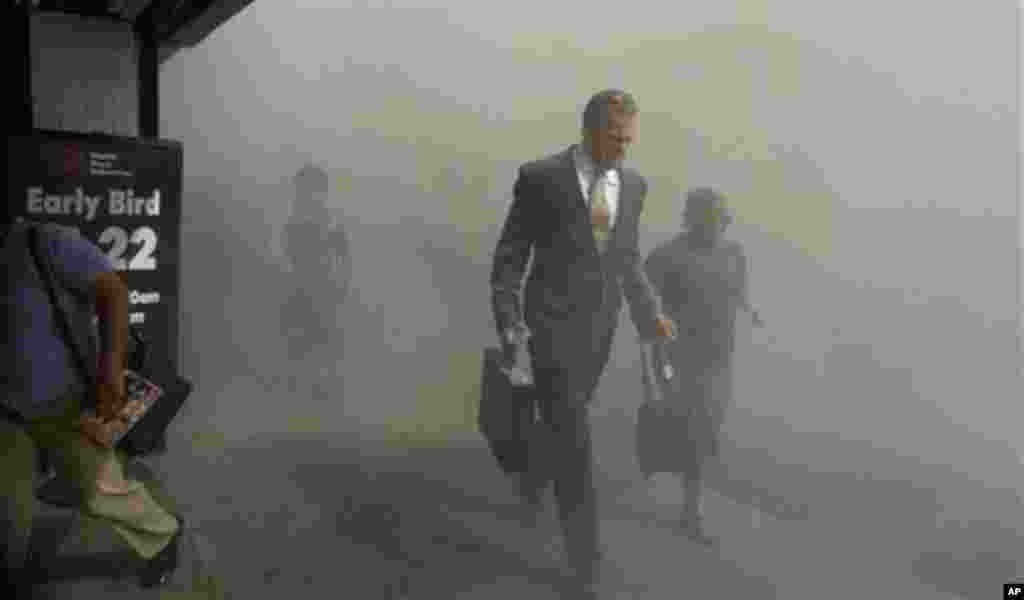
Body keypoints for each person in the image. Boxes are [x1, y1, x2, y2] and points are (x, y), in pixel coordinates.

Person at [490, 89, 677, 597]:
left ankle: (532, 479)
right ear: (589, 129)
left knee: (562, 424)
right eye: (615, 138)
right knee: (575, 438)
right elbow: (510, 257)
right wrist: (509, 321)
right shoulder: (540, 178)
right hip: (547, 324)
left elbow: (627, 258)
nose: (624, 148)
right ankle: (583, 564)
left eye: (630, 139)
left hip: (600, 329)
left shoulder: (634, 186)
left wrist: (650, 315)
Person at [1, 219, 182, 595]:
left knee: (99, 490)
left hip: (68, 405)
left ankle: (163, 535)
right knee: (8, 514)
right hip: (7, 415)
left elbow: (113, 292)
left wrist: (110, 373)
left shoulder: (43, 241)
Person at [642, 187, 763, 546]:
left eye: (720, 222)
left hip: (720, 359)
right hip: (678, 359)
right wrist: (653, 367)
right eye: (708, 221)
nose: (716, 228)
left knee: (706, 429)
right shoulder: (666, 257)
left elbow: (739, 291)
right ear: (691, 221)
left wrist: (752, 311)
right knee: (685, 428)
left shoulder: (734, 255)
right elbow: (647, 311)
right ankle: (690, 511)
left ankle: (688, 505)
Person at [279, 163, 351, 398]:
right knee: (297, 338)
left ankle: (319, 387)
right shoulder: (292, 216)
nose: (308, 193)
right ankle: (299, 385)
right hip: (298, 283)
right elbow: (283, 251)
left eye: (313, 187)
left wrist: (343, 282)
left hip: (321, 284)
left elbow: (343, 253)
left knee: (321, 338)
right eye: (303, 187)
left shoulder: (328, 218)